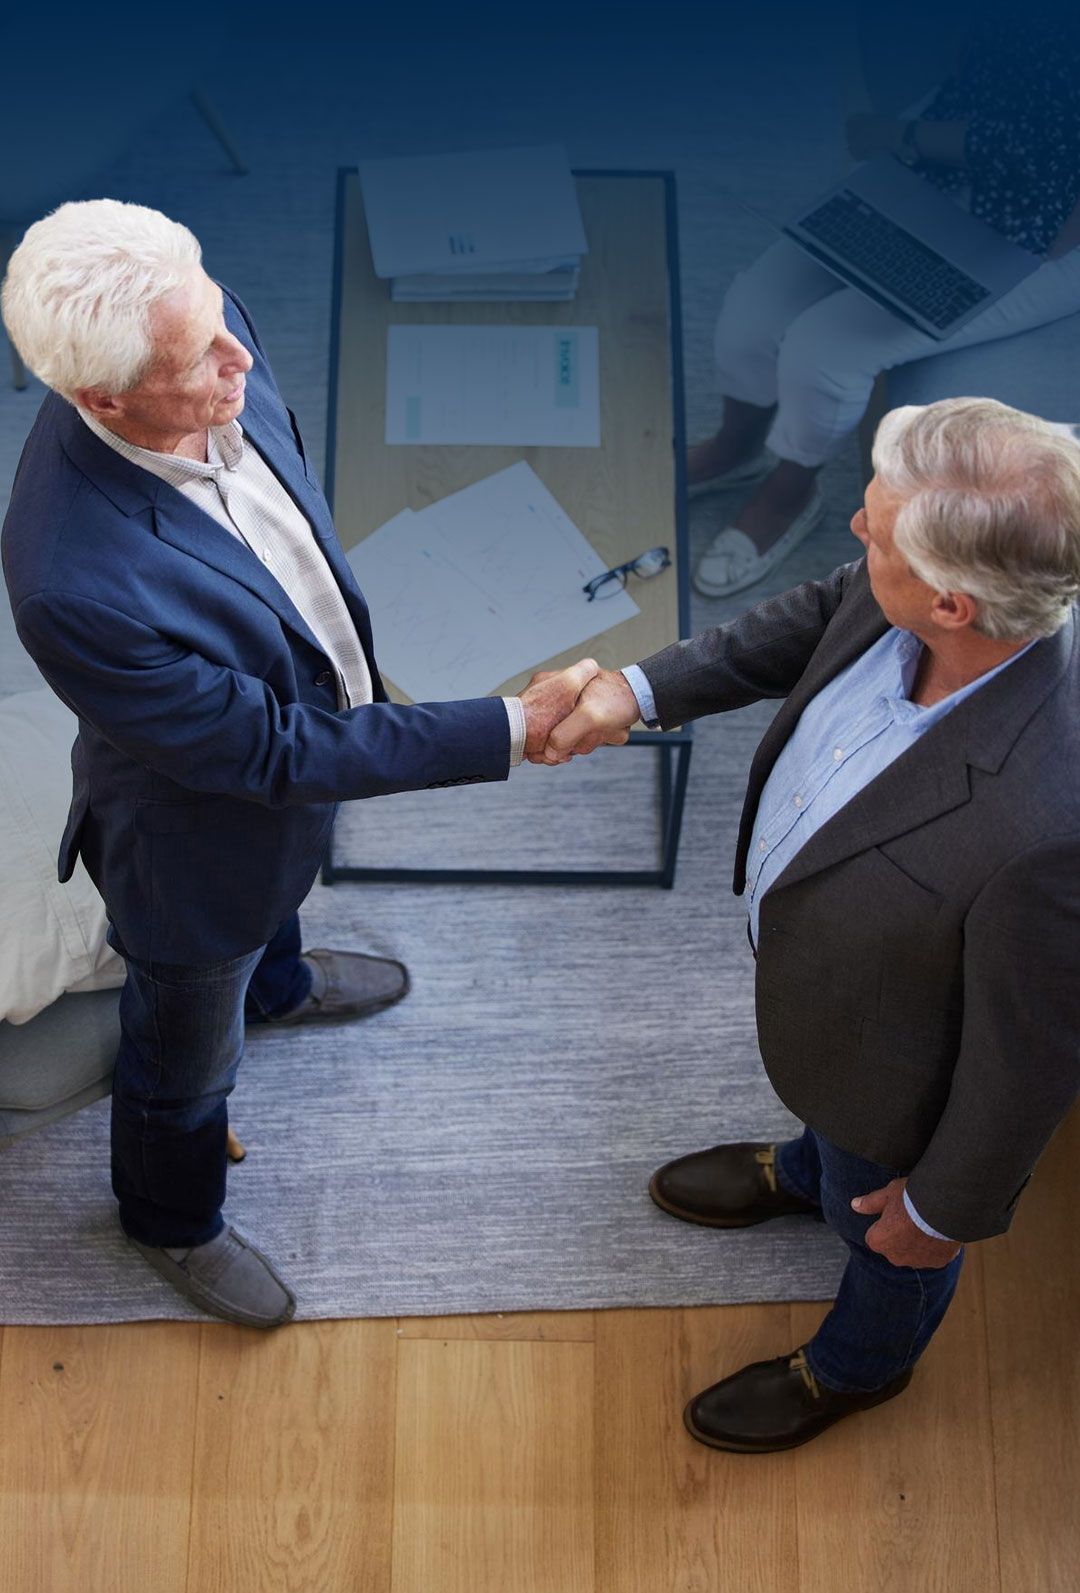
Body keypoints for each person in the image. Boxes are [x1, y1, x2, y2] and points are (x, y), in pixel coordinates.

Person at [0, 199, 608, 1328]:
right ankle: (169, 1217)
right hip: (190, 844)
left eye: (221, 318)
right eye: (203, 359)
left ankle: (278, 989)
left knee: (283, 881)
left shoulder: (200, 324)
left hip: (284, 776)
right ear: (104, 400)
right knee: (184, 1058)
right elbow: (275, 754)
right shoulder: (71, 579)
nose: (240, 350)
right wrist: (512, 728)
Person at [546, 397, 1080, 1451]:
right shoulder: (902, 597)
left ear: (953, 605)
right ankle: (807, 1166)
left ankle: (859, 1367)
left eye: (875, 529)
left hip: (906, 1090)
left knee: (879, 1232)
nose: (853, 531)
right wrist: (639, 688)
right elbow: (823, 609)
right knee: (836, 1146)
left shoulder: (1048, 834)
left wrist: (941, 1209)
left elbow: (1028, 1060)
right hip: (842, 1007)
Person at [690, 10, 1080, 599]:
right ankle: (736, 447)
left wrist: (901, 138)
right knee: (755, 304)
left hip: (1049, 231)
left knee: (825, 350)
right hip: (953, 148)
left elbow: (1041, 150)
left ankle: (790, 491)